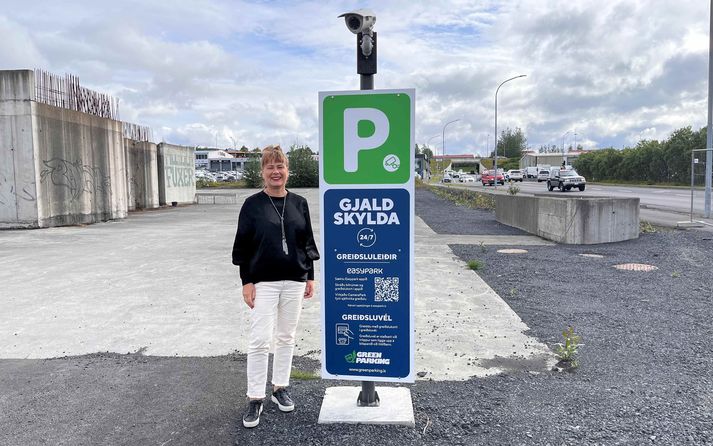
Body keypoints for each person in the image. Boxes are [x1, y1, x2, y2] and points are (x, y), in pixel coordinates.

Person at [232, 145, 320, 428]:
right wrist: (247, 281)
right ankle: (255, 397)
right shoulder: (252, 205)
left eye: (280, 166)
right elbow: (243, 246)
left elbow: (307, 243)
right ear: (262, 172)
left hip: (294, 280)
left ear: (287, 171)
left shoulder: (299, 203)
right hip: (264, 282)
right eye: (270, 167)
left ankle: (280, 387)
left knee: (286, 337)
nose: (276, 172)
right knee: (259, 339)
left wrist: (310, 276)